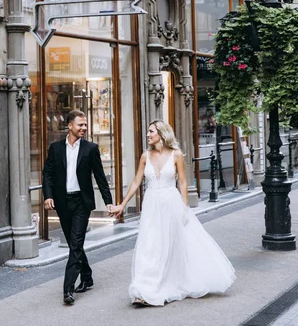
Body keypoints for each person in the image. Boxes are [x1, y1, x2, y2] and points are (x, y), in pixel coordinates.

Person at [110, 120, 236, 307]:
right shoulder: (145, 156)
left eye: (151, 131)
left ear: (161, 133)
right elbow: (136, 182)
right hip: (152, 205)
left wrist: (184, 207)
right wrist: (122, 204)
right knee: (150, 245)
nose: (148, 135)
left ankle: (168, 282)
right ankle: (143, 290)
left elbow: (183, 183)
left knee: (170, 245)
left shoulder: (176, 155)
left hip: (172, 204)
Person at [42, 109, 113, 305]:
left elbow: (100, 177)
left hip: (82, 203)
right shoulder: (55, 148)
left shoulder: (90, 148)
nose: (84, 128)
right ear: (70, 126)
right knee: (76, 244)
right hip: (63, 202)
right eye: (80, 125)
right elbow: (47, 174)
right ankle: (87, 276)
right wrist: (48, 196)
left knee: (74, 244)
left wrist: (108, 201)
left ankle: (68, 289)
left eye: (85, 125)